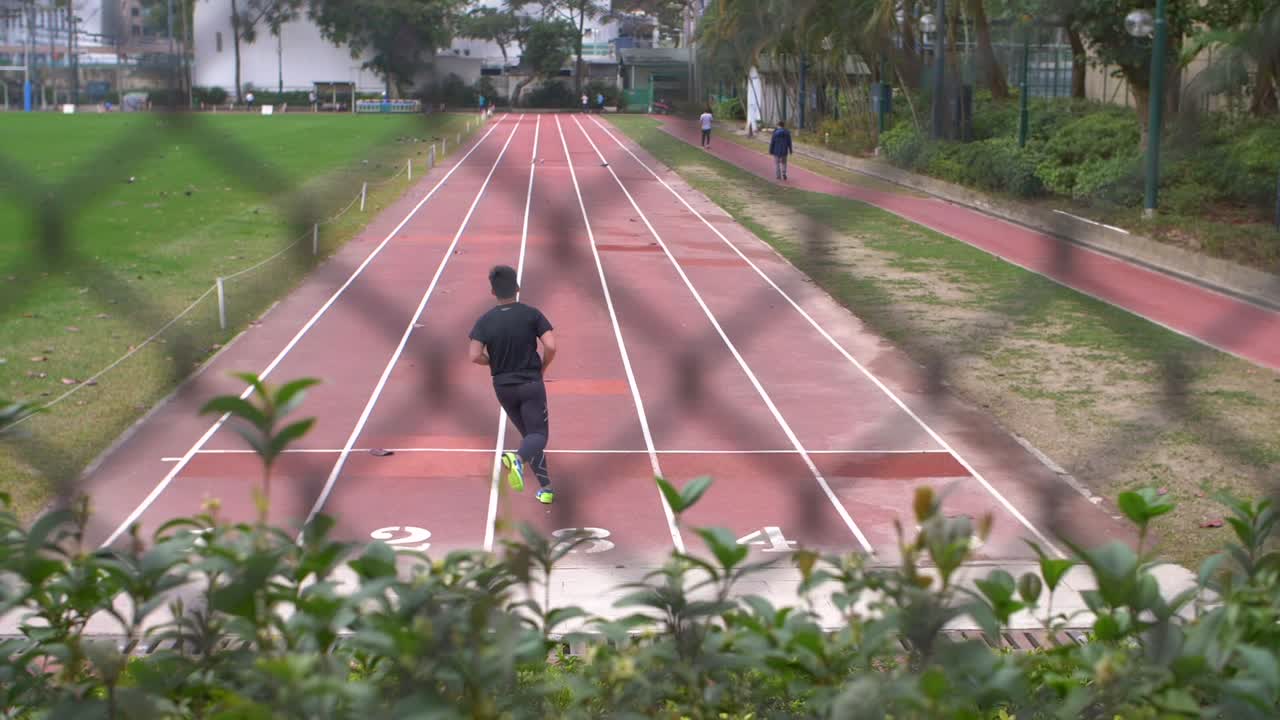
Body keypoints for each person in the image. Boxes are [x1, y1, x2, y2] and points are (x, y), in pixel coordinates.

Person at [469, 265, 558, 504]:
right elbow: (550, 346)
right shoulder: (532, 314)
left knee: (530, 435)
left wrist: (494, 362)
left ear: (492, 292)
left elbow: (474, 355)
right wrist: (543, 367)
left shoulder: (484, 321)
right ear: (517, 288)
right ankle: (517, 460)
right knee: (538, 434)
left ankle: (546, 488)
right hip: (530, 382)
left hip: (503, 386)